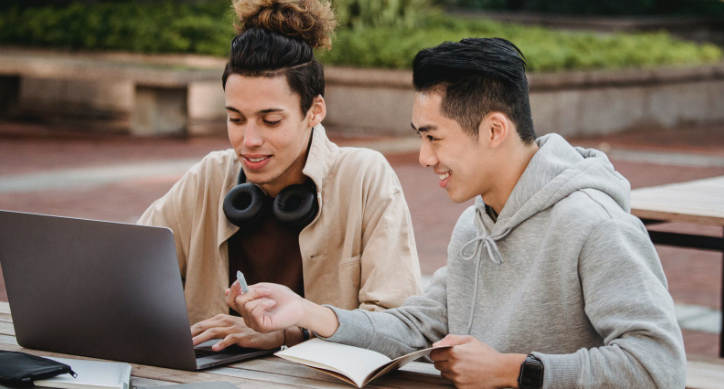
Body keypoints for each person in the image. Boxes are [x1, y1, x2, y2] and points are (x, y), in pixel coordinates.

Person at [226, 37, 687, 388]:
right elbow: (415, 326)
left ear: (493, 130)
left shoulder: (595, 225)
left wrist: (513, 370)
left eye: (434, 137)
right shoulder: (475, 224)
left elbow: (658, 365)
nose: (424, 158)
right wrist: (307, 313)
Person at [138, 0, 422, 352]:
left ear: (315, 110)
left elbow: (400, 331)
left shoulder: (364, 177)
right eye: (236, 119)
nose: (249, 141)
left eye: (271, 121)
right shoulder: (210, 176)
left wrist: (289, 333)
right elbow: (126, 270)